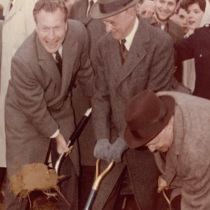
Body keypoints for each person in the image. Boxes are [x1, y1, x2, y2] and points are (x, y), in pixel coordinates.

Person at [4, 0, 93, 210]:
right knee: (21, 179)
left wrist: (99, 98)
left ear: (67, 24)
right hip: (25, 115)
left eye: (57, 28)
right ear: (36, 26)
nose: (51, 36)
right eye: (45, 28)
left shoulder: (79, 33)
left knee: (70, 167)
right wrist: (56, 136)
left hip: (59, 106)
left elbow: (85, 71)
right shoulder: (23, 60)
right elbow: (36, 110)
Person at [90, 0, 175, 209]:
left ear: (129, 12)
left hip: (146, 143)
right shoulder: (103, 46)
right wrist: (101, 137)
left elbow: (154, 102)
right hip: (110, 144)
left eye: (111, 22)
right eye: (105, 24)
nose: (108, 29)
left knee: (146, 203)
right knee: (99, 203)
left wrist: (124, 140)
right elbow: (100, 96)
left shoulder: (160, 42)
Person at [124, 89, 210, 210]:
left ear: (167, 125)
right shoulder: (158, 104)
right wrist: (167, 177)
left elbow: (197, 205)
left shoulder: (194, 151)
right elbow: (176, 146)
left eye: (153, 143)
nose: (151, 149)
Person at [0, 0, 37, 178]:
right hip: (7, 93)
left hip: (22, 97)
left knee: (19, 161)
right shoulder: (8, 4)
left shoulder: (32, 6)